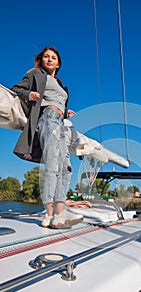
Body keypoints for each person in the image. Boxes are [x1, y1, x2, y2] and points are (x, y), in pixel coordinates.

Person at [11, 47, 83, 229]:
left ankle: (60, 212)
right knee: (53, 165)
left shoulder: (59, 83)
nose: (49, 59)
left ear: (58, 63)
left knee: (66, 167)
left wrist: (66, 112)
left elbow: (57, 101)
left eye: (53, 57)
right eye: (46, 57)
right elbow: (16, 89)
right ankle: (50, 214)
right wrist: (30, 94)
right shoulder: (36, 74)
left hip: (60, 122)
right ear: (41, 60)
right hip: (48, 119)